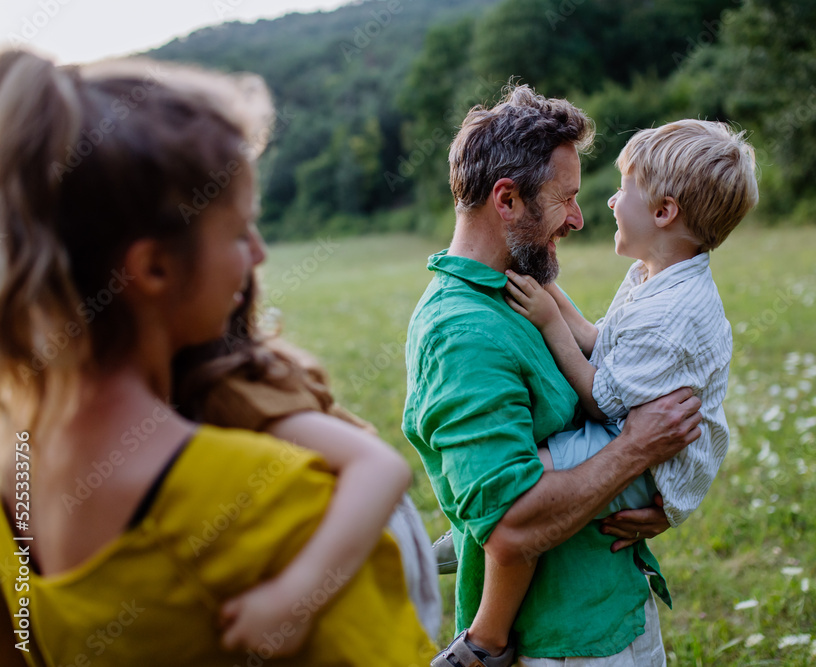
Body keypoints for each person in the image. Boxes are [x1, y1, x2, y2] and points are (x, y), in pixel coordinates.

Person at [0, 49, 435, 665]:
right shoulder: (271, 512)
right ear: (152, 268)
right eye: (237, 232)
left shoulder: (15, 474)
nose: (257, 256)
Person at [403, 84, 704, 667]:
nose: (579, 216)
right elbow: (513, 527)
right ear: (507, 200)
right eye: (564, 198)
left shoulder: (522, 286)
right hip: (560, 644)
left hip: (613, 606)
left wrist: (661, 493)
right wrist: (638, 450)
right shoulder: (462, 333)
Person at [473, 119, 759, 660]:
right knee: (525, 481)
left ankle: (482, 568)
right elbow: (603, 341)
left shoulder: (672, 312)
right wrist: (550, 289)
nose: (607, 202)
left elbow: (603, 398)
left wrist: (549, 321)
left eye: (624, 188)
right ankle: (479, 539)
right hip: (636, 436)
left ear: (663, 212)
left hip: (647, 459)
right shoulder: (657, 274)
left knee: (523, 482)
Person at [171, 276, 442, 648]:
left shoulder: (228, 393)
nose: (258, 251)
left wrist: (293, 599)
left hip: (370, 551)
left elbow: (381, 467)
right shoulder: (237, 370)